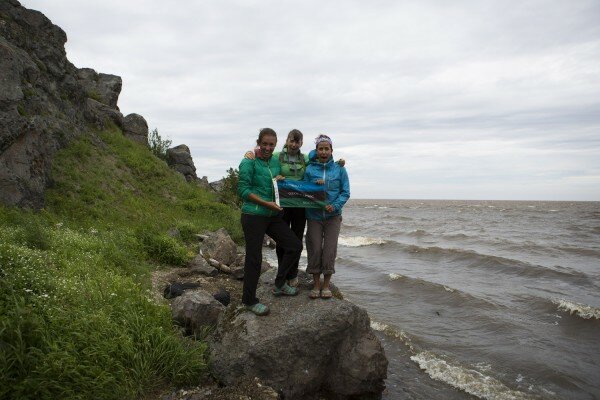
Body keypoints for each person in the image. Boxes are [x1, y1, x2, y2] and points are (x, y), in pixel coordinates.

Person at [237, 128, 302, 316]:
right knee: (254, 259)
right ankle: (248, 300)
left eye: (271, 144)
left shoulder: (275, 161)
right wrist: (266, 203)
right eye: (264, 143)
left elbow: (298, 163)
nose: (267, 147)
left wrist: (280, 178)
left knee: (294, 245)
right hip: (253, 215)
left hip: (271, 215)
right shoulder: (248, 161)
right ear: (258, 142)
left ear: (275, 145)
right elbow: (243, 191)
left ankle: (280, 283)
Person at [303, 134, 350, 299]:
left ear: (331, 150)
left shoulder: (340, 169)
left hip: (333, 217)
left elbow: (345, 192)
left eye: (326, 149)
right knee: (314, 248)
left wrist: (335, 205)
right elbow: (302, 190)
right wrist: (312, 185)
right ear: (316, 151)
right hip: (314, 216)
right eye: (320, 149)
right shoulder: (309, 169)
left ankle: (326, 285)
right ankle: (316, 284)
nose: (323, 151)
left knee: (330, 250)